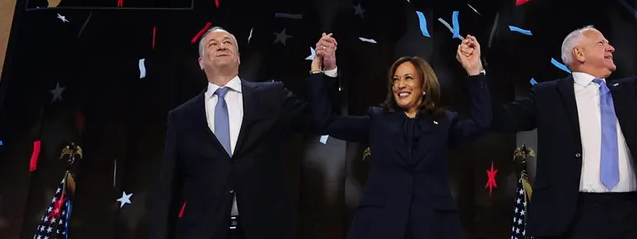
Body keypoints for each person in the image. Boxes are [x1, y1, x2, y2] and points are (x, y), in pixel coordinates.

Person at [491, 0, 637, 239]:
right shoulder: (548, 95)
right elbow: (501, 119)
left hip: (630, 213)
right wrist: (475, 74)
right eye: (601, 43)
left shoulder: (630, 91)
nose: (611, 47)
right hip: (577, 214)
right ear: (579, 53)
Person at [150, 27, 339, 239]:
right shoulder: (182, 117)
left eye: (227, 42)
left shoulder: (272, 96)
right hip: (203, 231)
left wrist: (325, 70)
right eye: (213, 44)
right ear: (201, 62)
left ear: (239, 58)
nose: (221, 45)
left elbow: (320, 120)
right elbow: (169, 189)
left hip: (266, 230)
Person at [307, 34, 491, 239]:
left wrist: (474, 72)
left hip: (434, 227)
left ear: (423, 87)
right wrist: (323, 69)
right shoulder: (377, 120)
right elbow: (327, 121)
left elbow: (481, 123)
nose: (400, 85)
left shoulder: (445, 123)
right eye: (396, 79)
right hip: (380, 226)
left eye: (408, 78)